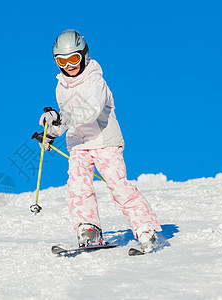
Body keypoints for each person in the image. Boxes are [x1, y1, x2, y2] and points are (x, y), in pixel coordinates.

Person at [38, 29, 162, 253]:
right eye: (61, 60)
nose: (68, 65)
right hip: (78, 144)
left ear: (84, 55)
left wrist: (60, 120)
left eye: (73, 59)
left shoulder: (96, 81)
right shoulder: (61, 87)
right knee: (78, 187)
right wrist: (52, 132)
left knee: (117, 185)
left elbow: (90, 111)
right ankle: (89, 229)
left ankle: (145, 229)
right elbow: (68, 117)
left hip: (105, 141)